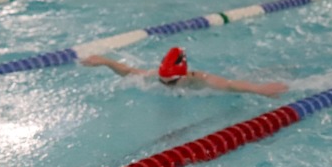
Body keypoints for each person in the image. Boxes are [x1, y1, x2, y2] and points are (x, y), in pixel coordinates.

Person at [80, 47, 289, 98]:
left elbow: (230, 85)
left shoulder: (200, 80)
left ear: (182, 76)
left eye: (170, 82)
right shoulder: (160, 76)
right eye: (162, 80)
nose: (165, 84)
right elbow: (130, 72)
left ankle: (276, 70)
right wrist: (105, 61)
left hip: (226, 89)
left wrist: (259, 89)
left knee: (251, 77)